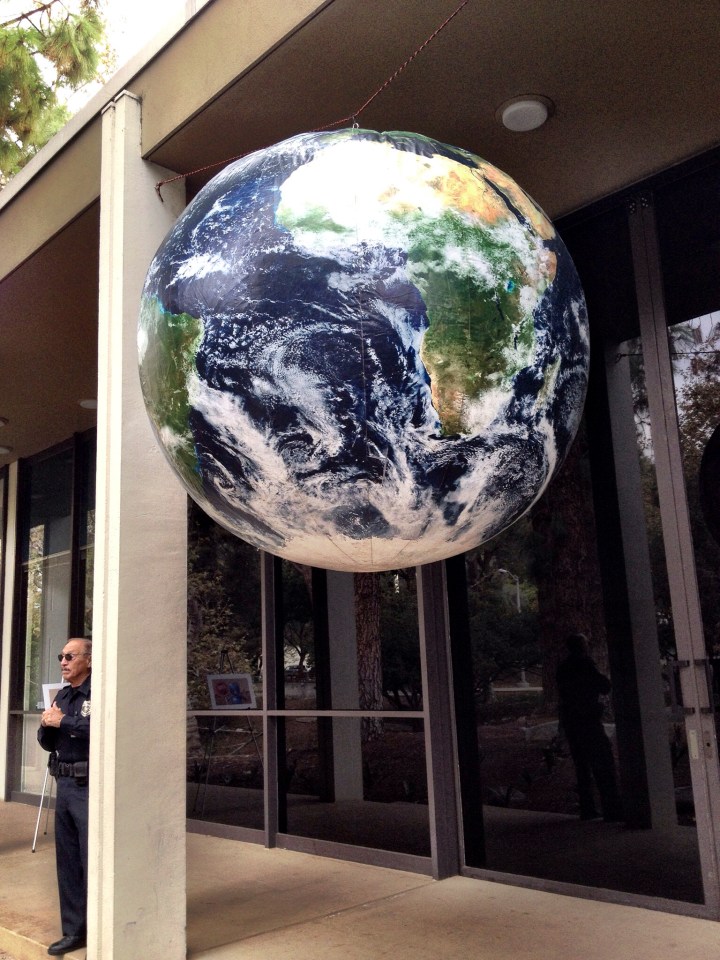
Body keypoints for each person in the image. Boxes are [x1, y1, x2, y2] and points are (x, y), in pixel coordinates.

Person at [38, 638, 92, 956]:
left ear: (89, 660)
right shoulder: (63, 695)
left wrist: (63, 721)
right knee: (68, 861)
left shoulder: (96, 693)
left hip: (88, 786)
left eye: (70, 656)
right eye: (61, 656)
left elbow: (99, 728)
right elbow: (48, 742)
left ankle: (98, 926)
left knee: (89, 859)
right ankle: (73, 931)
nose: (63, 661)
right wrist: (47, 724)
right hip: (65, 784)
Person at [556, 633, 622, 822]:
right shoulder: (585, 664)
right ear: (583, 647)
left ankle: (588, 808)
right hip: (588, 721)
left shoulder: (563, 668)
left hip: (572, 722)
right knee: (603, 764)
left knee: (582, 767)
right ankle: (611, 808)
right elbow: (604, 686)